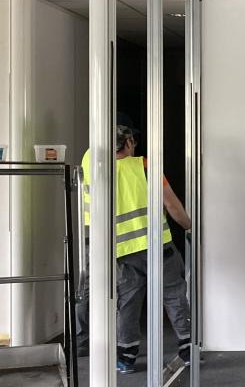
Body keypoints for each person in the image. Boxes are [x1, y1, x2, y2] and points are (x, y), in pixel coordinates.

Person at [76, 116, 194, 373]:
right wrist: (188, 226)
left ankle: (126, 356)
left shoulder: (90, 162)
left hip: (121, 251)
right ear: (129, 142)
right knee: (174, 295)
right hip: (157, 246)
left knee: (128, 302)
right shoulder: (145, 166)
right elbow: (171, 204)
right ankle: (187, 348)